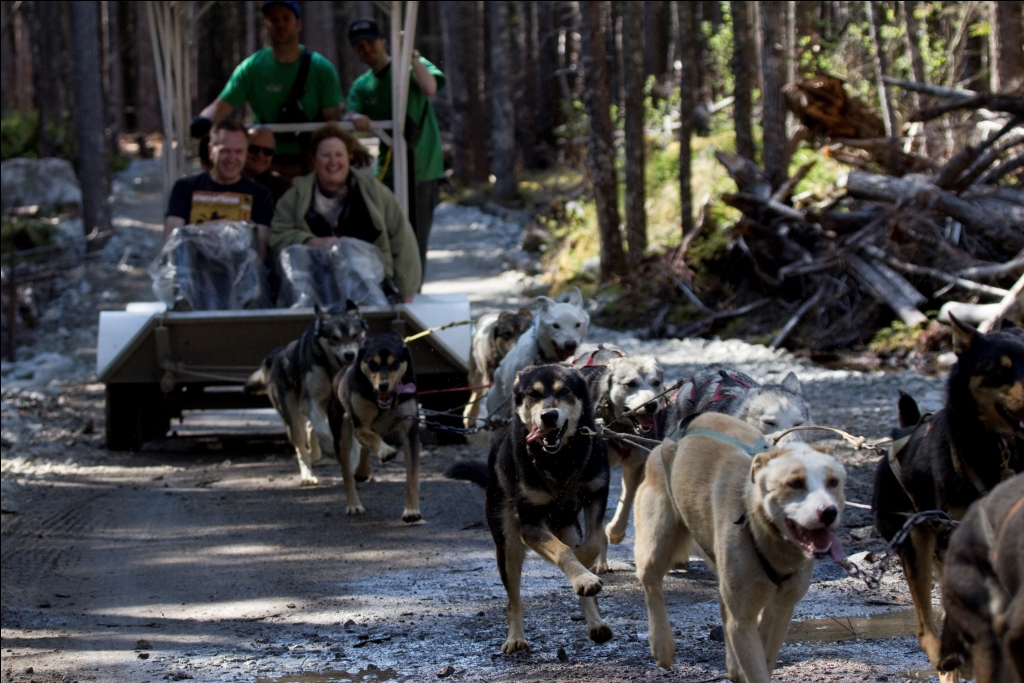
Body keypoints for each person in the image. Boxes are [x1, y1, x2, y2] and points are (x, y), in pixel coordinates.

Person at [189, 0, 344, 177]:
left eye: (286, 18)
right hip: (264, 162)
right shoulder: (251, 68)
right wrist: (203, 120)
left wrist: (323, 159)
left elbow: (332, 122)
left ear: (298, 23)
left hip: (310, 161)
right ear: (266, 25)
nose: (280, 24)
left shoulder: (322, 69)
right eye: (274, 19)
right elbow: (221, 106)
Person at [270, 124, 422, 302]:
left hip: (369, 289)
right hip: (313, 291)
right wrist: (311, 241)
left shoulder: (375, 193)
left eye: (339, 155)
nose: (333, 162)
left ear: (349, 157)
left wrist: (406, 292)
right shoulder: (294, 197)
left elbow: (402, 241)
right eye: (326, 155)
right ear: (314, 159)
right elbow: (277, 236)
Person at [345, 18, 445, 282]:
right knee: (386, 235)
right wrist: (355, 118)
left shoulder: (411, 68)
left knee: (416, 239)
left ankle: (414, 294)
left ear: (382, 41)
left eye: (370, 42)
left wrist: (409, 53)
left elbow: (429, 87)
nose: (366, 49)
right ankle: (390, 289)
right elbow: (350, 115)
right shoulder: (362, 86)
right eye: (359, 45)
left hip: (422, 169)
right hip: (388, 172)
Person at [162, 120, 275, 310]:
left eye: (238, 151)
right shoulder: (186, 187)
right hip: (197, 268)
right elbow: (171, 237)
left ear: (246, 153)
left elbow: (261, 246)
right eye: (225, 151)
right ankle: (183, 302)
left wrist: (222, 232)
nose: (232, 158)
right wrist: (209, 232)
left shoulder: (260, 194)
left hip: (238, 269)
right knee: (180, 239)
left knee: (251, 239)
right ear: (211, 150)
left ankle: (251, 304)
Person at [243, 125, 292, 203]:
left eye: (267, 151)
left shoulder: (279, 186)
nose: (260, 155)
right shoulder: (229, 179)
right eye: (254, 149)